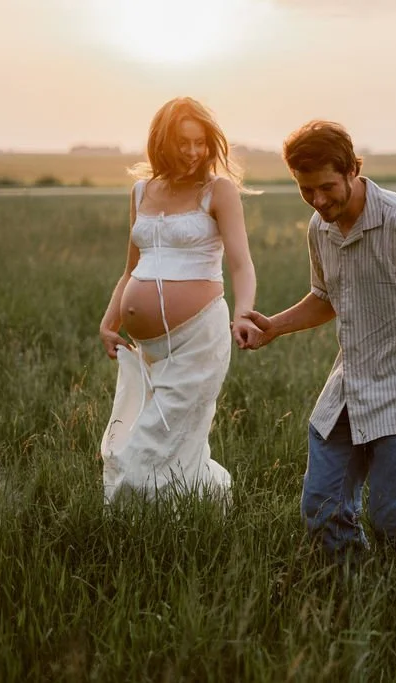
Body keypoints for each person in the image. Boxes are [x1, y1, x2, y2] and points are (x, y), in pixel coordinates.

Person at [241, 120, 396, 562]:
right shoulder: (320, 229)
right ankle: (351, 593)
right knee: (323, 510)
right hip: (349, 389)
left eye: (326, 187)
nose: (318, 201)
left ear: (353, 169)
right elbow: (326, 297)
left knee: (395, 520)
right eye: (306, 191)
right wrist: (274, 327)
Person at [97, 96, 258, 507]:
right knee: (170, 441)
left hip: (199, 339)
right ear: (161, 142)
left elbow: (241, 264)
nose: (192, 152)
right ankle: (194, 517)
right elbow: (130, 268)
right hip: (149, 350)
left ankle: (129, 523)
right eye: (182, 142)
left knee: (148, 446)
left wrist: (243, 314)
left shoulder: (218, 191)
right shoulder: (140, 192)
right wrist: (109, 322)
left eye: (200, 143)